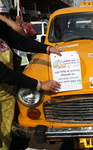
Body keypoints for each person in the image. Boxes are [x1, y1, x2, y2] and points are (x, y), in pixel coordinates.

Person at [0, 20, 63, 150]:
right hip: (5, 81)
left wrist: (47, 48)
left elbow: (18, 40)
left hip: (7, 92)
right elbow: (3, 73)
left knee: (5, 134)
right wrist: (38, 85)